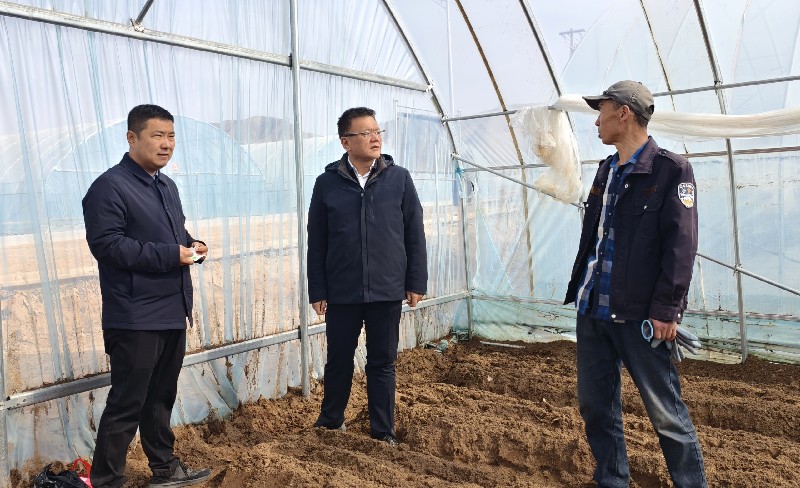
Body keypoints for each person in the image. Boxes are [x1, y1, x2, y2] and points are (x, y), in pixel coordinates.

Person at [564, 81, 707, 487]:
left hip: (639, 315)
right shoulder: (606, 170)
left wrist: (667, 310)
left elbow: (681, 246)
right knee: (596, 407)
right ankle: (612, 480)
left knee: (666, 415)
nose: (597, 121)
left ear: (624, 113)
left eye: (602, 111)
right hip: (593, 308)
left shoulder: (671, 170)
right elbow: (596, 238)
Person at [82, 104, 212, 488]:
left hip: (172, 308)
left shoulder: (166, 186)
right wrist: (172, 255)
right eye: (157, 136)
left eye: (171, 136)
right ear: (132, 138)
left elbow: (175, 235)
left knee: (160, 398)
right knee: (127, 402)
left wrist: (192, 245)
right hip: (135, 314)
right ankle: (106, 480)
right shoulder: (109, 187)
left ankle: (164, 468)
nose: (166, 144)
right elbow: (107, 245)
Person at [307, 107, 428, 447]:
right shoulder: (327, 183)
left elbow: (414, 233)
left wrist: (415, 282)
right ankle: (331, 421)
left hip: (387, 290)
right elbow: (317, 241)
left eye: (377, 131)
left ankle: (383, 430)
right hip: (342, 291)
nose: (375, 138)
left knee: (382, 361)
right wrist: (318, 288)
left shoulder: (399, 179)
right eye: (365, 133)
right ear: (345, 142)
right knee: (339, 360)